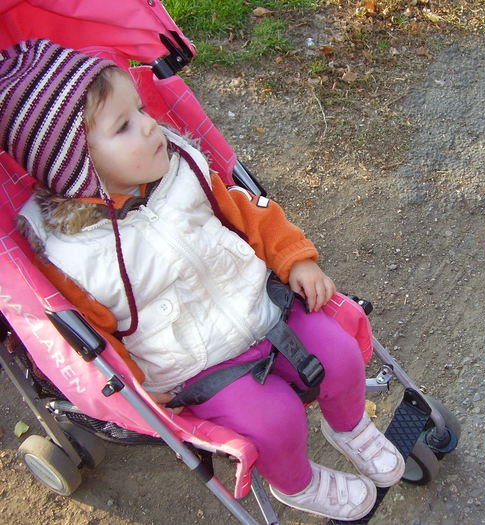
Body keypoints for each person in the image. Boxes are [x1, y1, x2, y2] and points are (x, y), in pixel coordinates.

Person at [0, 39, 404, 521]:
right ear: (74, 165)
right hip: (194, 364)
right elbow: (93, 333)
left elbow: (248, 214)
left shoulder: (183, 168)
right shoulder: (72, 255)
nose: (149, 125)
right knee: (275, 422)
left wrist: (295, 259)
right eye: (124, 125)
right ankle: (297, 483)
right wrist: (134, 383)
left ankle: (350, 427)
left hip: (263, 307)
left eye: (141, 109)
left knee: (340, 354)